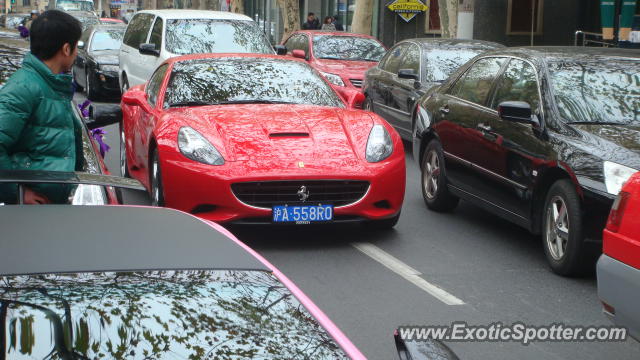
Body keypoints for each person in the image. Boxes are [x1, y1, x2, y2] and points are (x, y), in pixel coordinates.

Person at [0, 10, 84, 204]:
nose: (77, 53)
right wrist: (19, 192)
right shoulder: (23, 88)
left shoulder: (52, 85)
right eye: (76, 47)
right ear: (66, 49)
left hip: (52, 209)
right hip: (31, 215)